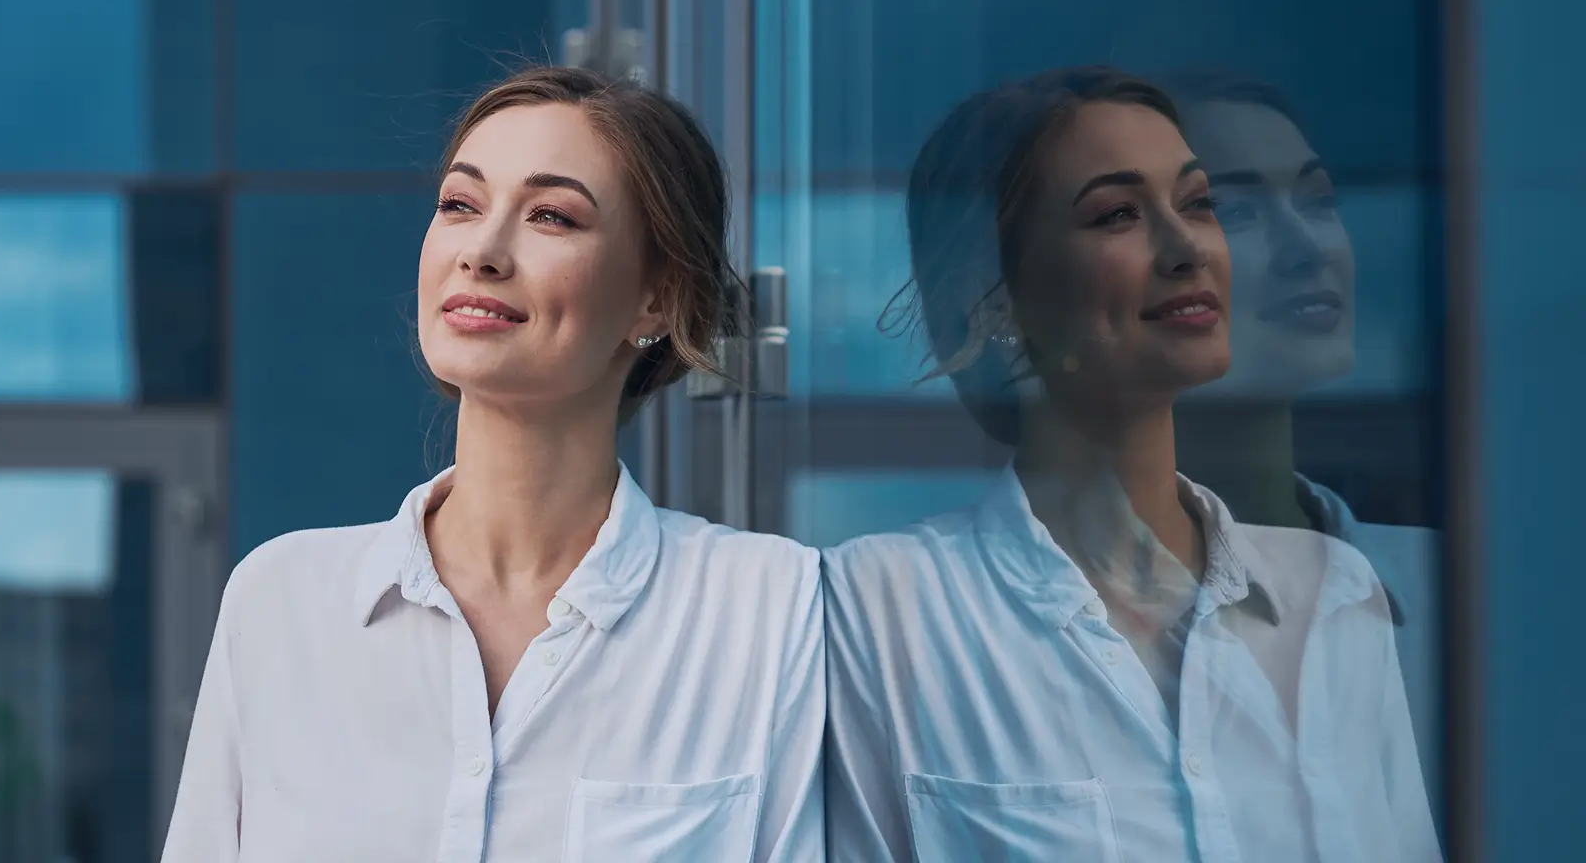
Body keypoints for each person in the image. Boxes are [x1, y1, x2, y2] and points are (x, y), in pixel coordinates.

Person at [160, 65, 823, 861]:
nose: (482, 249)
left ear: (657, 298)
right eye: (459, 205)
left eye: (551, 216)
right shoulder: (280, 601)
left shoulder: (769, 612)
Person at [823, 65, 1437, 861]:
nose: (1187, 248)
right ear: (999, 297)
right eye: (1117, 215)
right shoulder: (880, 608)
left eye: (1198, 204)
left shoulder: (1338, 596)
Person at [1164, 70, 1444, 803]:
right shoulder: (1067, 613)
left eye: (1318, 202)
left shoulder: (1463, 595)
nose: (1306, 247)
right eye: (1235, 210)